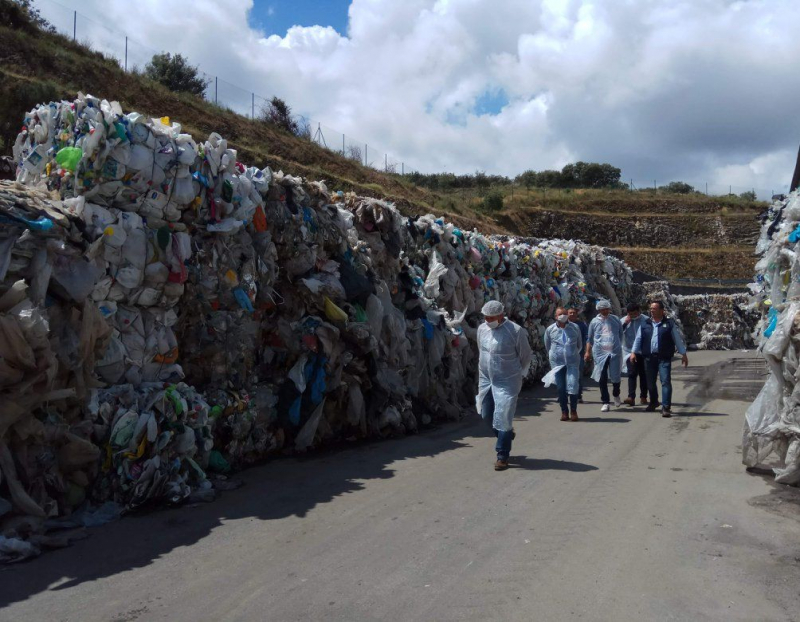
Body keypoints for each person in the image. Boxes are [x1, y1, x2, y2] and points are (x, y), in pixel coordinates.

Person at [476, 300, 533, 471]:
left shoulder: (515, 331)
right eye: (485, 317)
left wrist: (517, 374)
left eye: (491, 317)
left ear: (501, 315)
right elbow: (482, 350)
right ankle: (506, 434)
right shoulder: (482, 329)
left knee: (504, 416)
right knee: (486, 414)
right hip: (487, 379)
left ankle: (502, 455)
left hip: (508, 380)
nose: (488, 320)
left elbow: (525, 356)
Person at [630, 301, 689, 418]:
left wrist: (683, 354)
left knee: (665, 381)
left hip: (664, 358)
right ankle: (654, 401)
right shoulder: (645, 324)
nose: (652, 310)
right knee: (650, 383)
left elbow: (677, 339)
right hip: (649, 358)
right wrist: (633, 352)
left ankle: (666, 407)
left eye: (655, 308)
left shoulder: (669, 324)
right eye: (651, 308)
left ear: (662, 311)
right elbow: (638, 339)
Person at [545, 307, 583, 421]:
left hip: (572, 362)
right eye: (560, 314)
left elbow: (579, 345)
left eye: (564, 314)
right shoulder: (550, 329)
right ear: (555, 317)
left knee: (573, 385)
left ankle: (574, 410)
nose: (563, 316)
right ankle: (564, 411)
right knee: (561, 387)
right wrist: (555, 355)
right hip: (557, 363)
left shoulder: (575, 328)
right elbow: (548, 345)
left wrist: (572, 354)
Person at [585, 299, 623, 412]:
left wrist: (616, 346)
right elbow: (590, 338)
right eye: (603, 309)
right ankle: (605, 402)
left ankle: (616, 394)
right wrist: (587, 352)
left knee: (615, 376)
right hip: (600, 353)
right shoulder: (594, 322)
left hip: (614, 352)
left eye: (607, 309)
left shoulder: (615, 320)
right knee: (602, 377)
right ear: (599, 310)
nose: (605, 311)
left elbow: (620, 335)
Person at [620, 302, 648, 406]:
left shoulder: (645, 320)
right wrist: (625, 324)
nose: (633, 316)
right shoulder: (623, 321)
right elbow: (617, 333)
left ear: (639, 311)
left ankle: (643, 396)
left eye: (635, 313)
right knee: (631, 373)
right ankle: (631, 397)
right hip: (629, 351)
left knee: (643, 374)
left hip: (643, 351)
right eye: (631, 314)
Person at [567, 307, 589, 403]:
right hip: (565, 356)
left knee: (578, 375)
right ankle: (564, 394)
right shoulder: (563, 324)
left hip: (578, 355)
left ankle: (578, 395)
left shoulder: (582, 325)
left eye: (574, 313)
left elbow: (587, 338)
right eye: (570, 313)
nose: (572, 314)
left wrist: (587, 351)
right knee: (565, 375)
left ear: (577, 314)